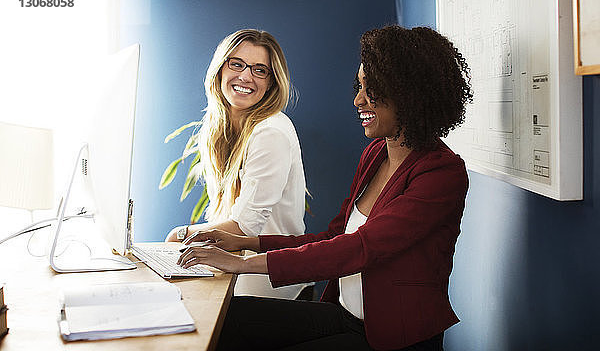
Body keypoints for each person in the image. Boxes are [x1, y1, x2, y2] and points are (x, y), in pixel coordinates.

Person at [178, 25, 473, 350]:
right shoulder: (376, 153)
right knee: (224, 318)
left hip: (390, 337)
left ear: (409, 94)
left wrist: (244, 263)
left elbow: (360, 248)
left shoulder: (441, 172)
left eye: (371, 89)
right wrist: (245, 242)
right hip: (344, 316)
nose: (358, 99)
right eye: (359, 86)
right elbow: (336, 237)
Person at [166, 29, 310, 300]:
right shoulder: (219, 127)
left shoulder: (270, 132)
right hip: (235, 259)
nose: (245, 76)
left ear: (271, 82)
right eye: (237, 64)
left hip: (268, 274)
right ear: (220, 70)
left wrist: (180, 234)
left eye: (259, 70)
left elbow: (244, 227)